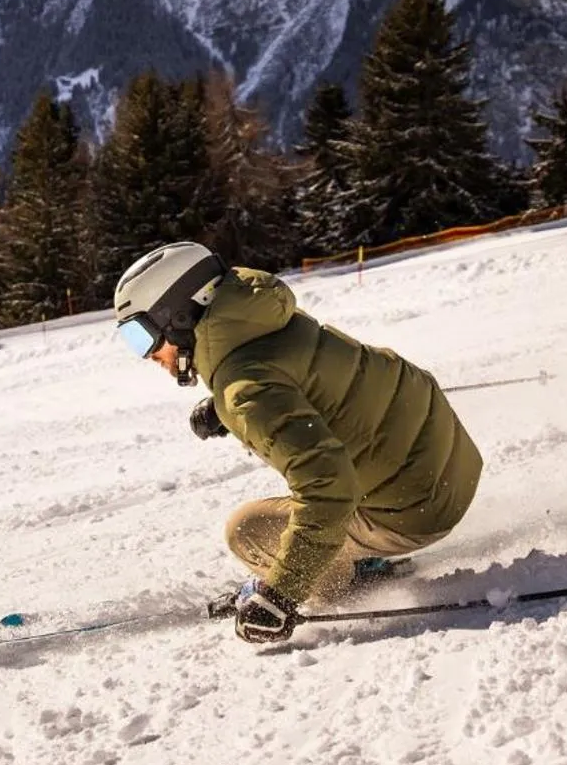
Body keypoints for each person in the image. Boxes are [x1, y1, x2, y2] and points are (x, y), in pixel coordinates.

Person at [113, 242, 482, 645]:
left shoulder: (247, 389)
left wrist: (280, 593)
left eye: (141, 335)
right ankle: (343, 556)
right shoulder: (257, 318)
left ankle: (351, 572)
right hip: (449, 458)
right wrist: (227, 405)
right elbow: (304, 374)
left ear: (178, 316)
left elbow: (328, 489)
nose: (147, 356)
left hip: (415, 508)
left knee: (247, 531)